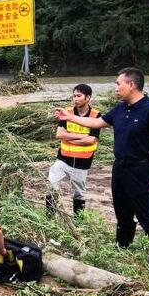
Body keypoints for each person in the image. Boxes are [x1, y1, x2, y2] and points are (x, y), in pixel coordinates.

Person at [54, 68, 149, 272]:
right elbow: (96, 122)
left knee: (147, 218)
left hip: (141, 169)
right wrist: (68, 117)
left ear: (131, 85)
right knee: (122, 214)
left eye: (118, 84)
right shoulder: (121, 108)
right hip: (120, 168)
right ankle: (122, 251)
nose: (116, 87)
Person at [47, 84, 101, 216]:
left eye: (79, 96)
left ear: (87, 98)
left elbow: (92, 140)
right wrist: (82, 136)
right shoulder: (67, 112)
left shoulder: (96, 115)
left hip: (82, 162)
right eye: (74, 96)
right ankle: (49, 217)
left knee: (79, 193)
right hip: (63, 158)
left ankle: (79, 220)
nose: (75, 99)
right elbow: (59, 134)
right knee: (52, 184)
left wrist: (68, 137)